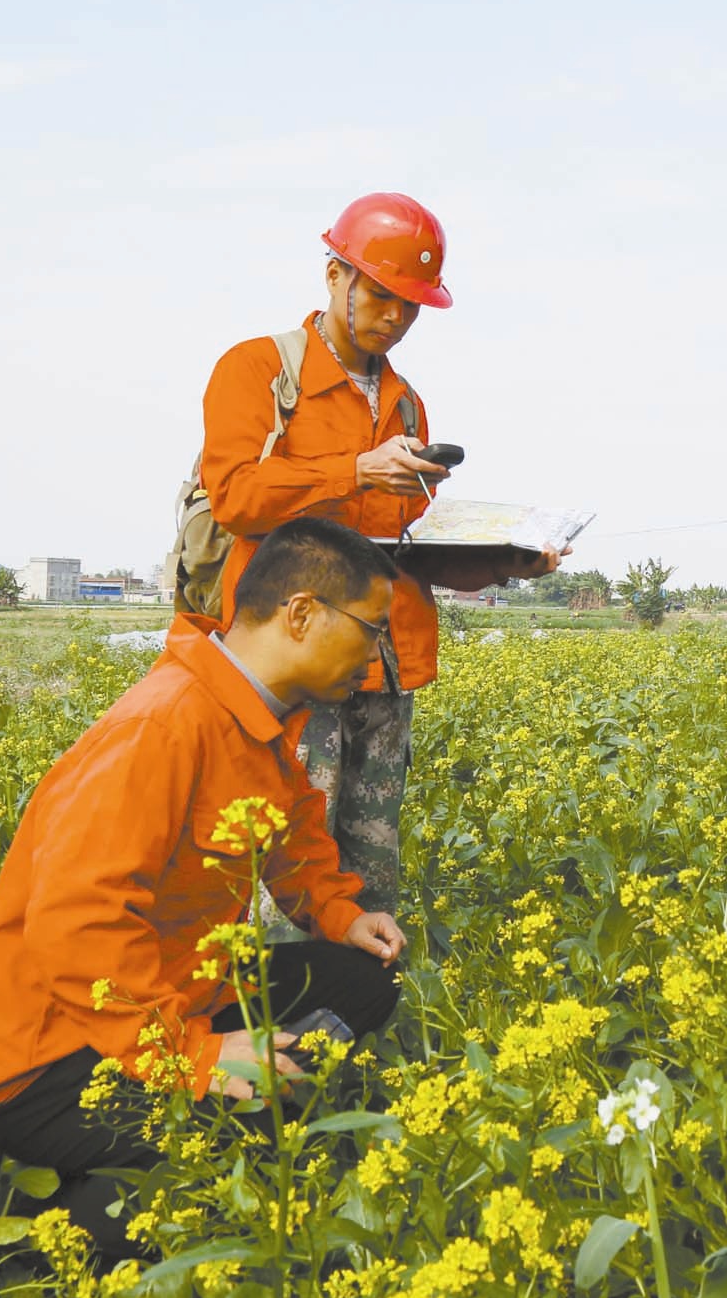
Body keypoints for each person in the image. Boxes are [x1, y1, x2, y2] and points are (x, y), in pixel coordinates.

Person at [0, 517, 411, 1251]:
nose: (377, 655)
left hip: (178, 995)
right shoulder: (162, 726)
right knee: (228, 1153)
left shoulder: (260, 719)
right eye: (371, 628)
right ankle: (61, 1232)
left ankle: (252, 1106)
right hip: (54, 1061)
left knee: (365, 980)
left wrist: (340, 911)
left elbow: (293, 842)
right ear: (301, 614)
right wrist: (192, 1056)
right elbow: (77, 924)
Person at [197, 192, 555, 922]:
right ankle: (275, 1024)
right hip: (296, 663)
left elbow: (406, 551)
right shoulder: (259, 370)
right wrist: (355, 470)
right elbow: (235, 496)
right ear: (334, 275)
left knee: (370, 863)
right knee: (287, 866)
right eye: (383, 296)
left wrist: (506, 563)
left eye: (411, 306)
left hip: (386, 667)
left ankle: (357, 1013)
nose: (395, 318)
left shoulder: (408, 403)